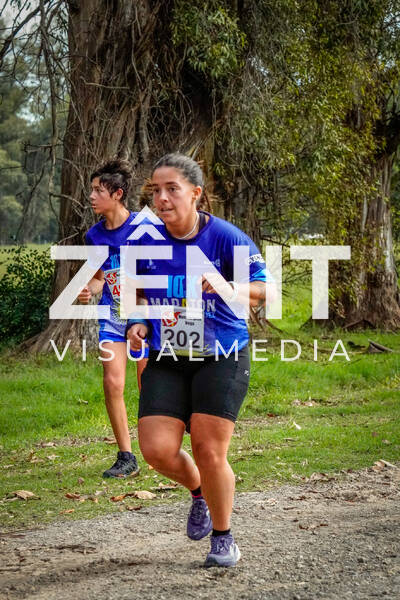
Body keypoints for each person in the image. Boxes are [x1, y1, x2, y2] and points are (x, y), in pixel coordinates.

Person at [127, 153, 275, 567]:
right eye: (155, 190)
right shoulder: (144, 242)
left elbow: (265, 291)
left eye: (171, 189)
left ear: (195, 193)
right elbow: (137, 292)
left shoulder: (226, 238)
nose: (162, 198)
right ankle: (199, 494)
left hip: (221, 354)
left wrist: (227, 285)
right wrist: (138, 322)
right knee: (156, 450)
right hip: (167, 355)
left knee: (210, 451)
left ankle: (224, 538)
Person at [78, 159, 148, 478]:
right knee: (112, 382)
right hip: (112, 315)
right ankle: (126, 457)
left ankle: (160, 442)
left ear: (117, 194)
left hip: (144, 315)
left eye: (98, 190)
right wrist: (88, 290)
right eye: (92, 189)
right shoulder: (94, 236)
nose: (92, 196)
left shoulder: (145, 229)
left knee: (148, 383)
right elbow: (99, 278)